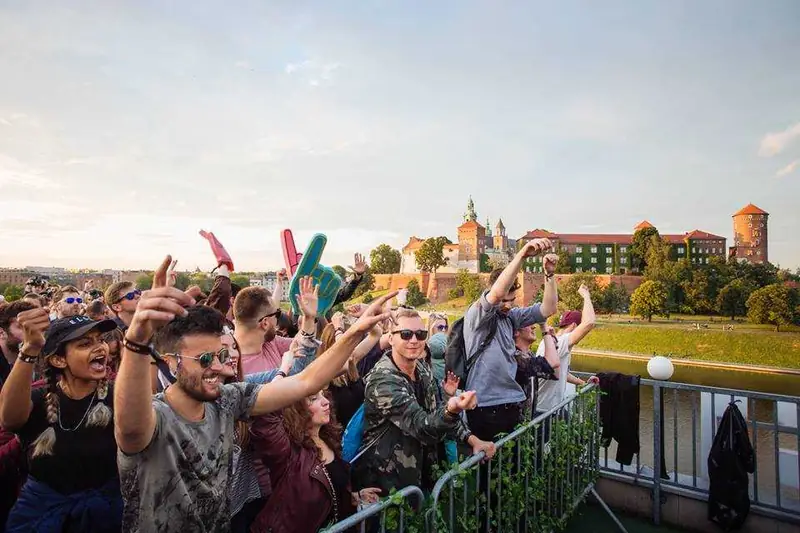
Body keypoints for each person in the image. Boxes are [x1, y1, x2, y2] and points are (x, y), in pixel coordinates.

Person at [113, 255, 395, 532]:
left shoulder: (227, 400)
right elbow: (129, 426)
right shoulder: (157, 418)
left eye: (223, 354)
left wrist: (356, 331)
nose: (221, 368)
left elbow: (306, 381)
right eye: (205, 360)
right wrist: (138, 340)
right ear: (171, 361)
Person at [0, 310, 122, 532]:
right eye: (85, 343)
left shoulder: (120, 398)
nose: (100, 347)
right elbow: (9, 420)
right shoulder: (39, 399)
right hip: (40, 514)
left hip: (105, 515)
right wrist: (30, 349)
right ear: (58, 359)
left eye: (101, 340)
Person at [354, 308, 495, 494]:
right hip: (387, 484)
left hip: (421, 473)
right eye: (405, 334)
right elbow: (422, 426)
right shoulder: (383, 381)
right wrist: (452, 409)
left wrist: (473, 439)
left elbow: (437, 412)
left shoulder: (422, 369)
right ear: (390, 338)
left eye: (420, 334)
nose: (414, 340)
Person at [463, 238, 559, 443]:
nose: (507, 305)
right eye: (504, 301)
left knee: (515, 465)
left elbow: (548, 309)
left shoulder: (511, 318)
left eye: (512, 300)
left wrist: (549, 275)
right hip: (485, 405)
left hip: (513, 402)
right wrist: (522, 255)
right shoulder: (478, 314)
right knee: (490, 467)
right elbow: (496, 294)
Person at [249, 388, 382, 532]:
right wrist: (284, 375)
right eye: (314, 399)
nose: (326, 402)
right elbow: (264, 416)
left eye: (324, 396)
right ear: (295, 409)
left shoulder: (328, 439)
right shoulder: (287, 450)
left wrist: (352, 497)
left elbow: (330, 489)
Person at [535, 283, 598, 416]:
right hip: (545, 411)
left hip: (551, 407)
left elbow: (562, 372)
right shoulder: (560, 342)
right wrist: (586, 295)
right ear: (575, 325)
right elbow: (589, 323)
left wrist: (582, 383)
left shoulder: (550, 342)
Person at [233, 285, 315, 375]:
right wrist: (309, 319)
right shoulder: (234, 371)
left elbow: (301, 344)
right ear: (265, 323)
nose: (277, 320)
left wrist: (309, 318)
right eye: (277, 314)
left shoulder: (269, 342)